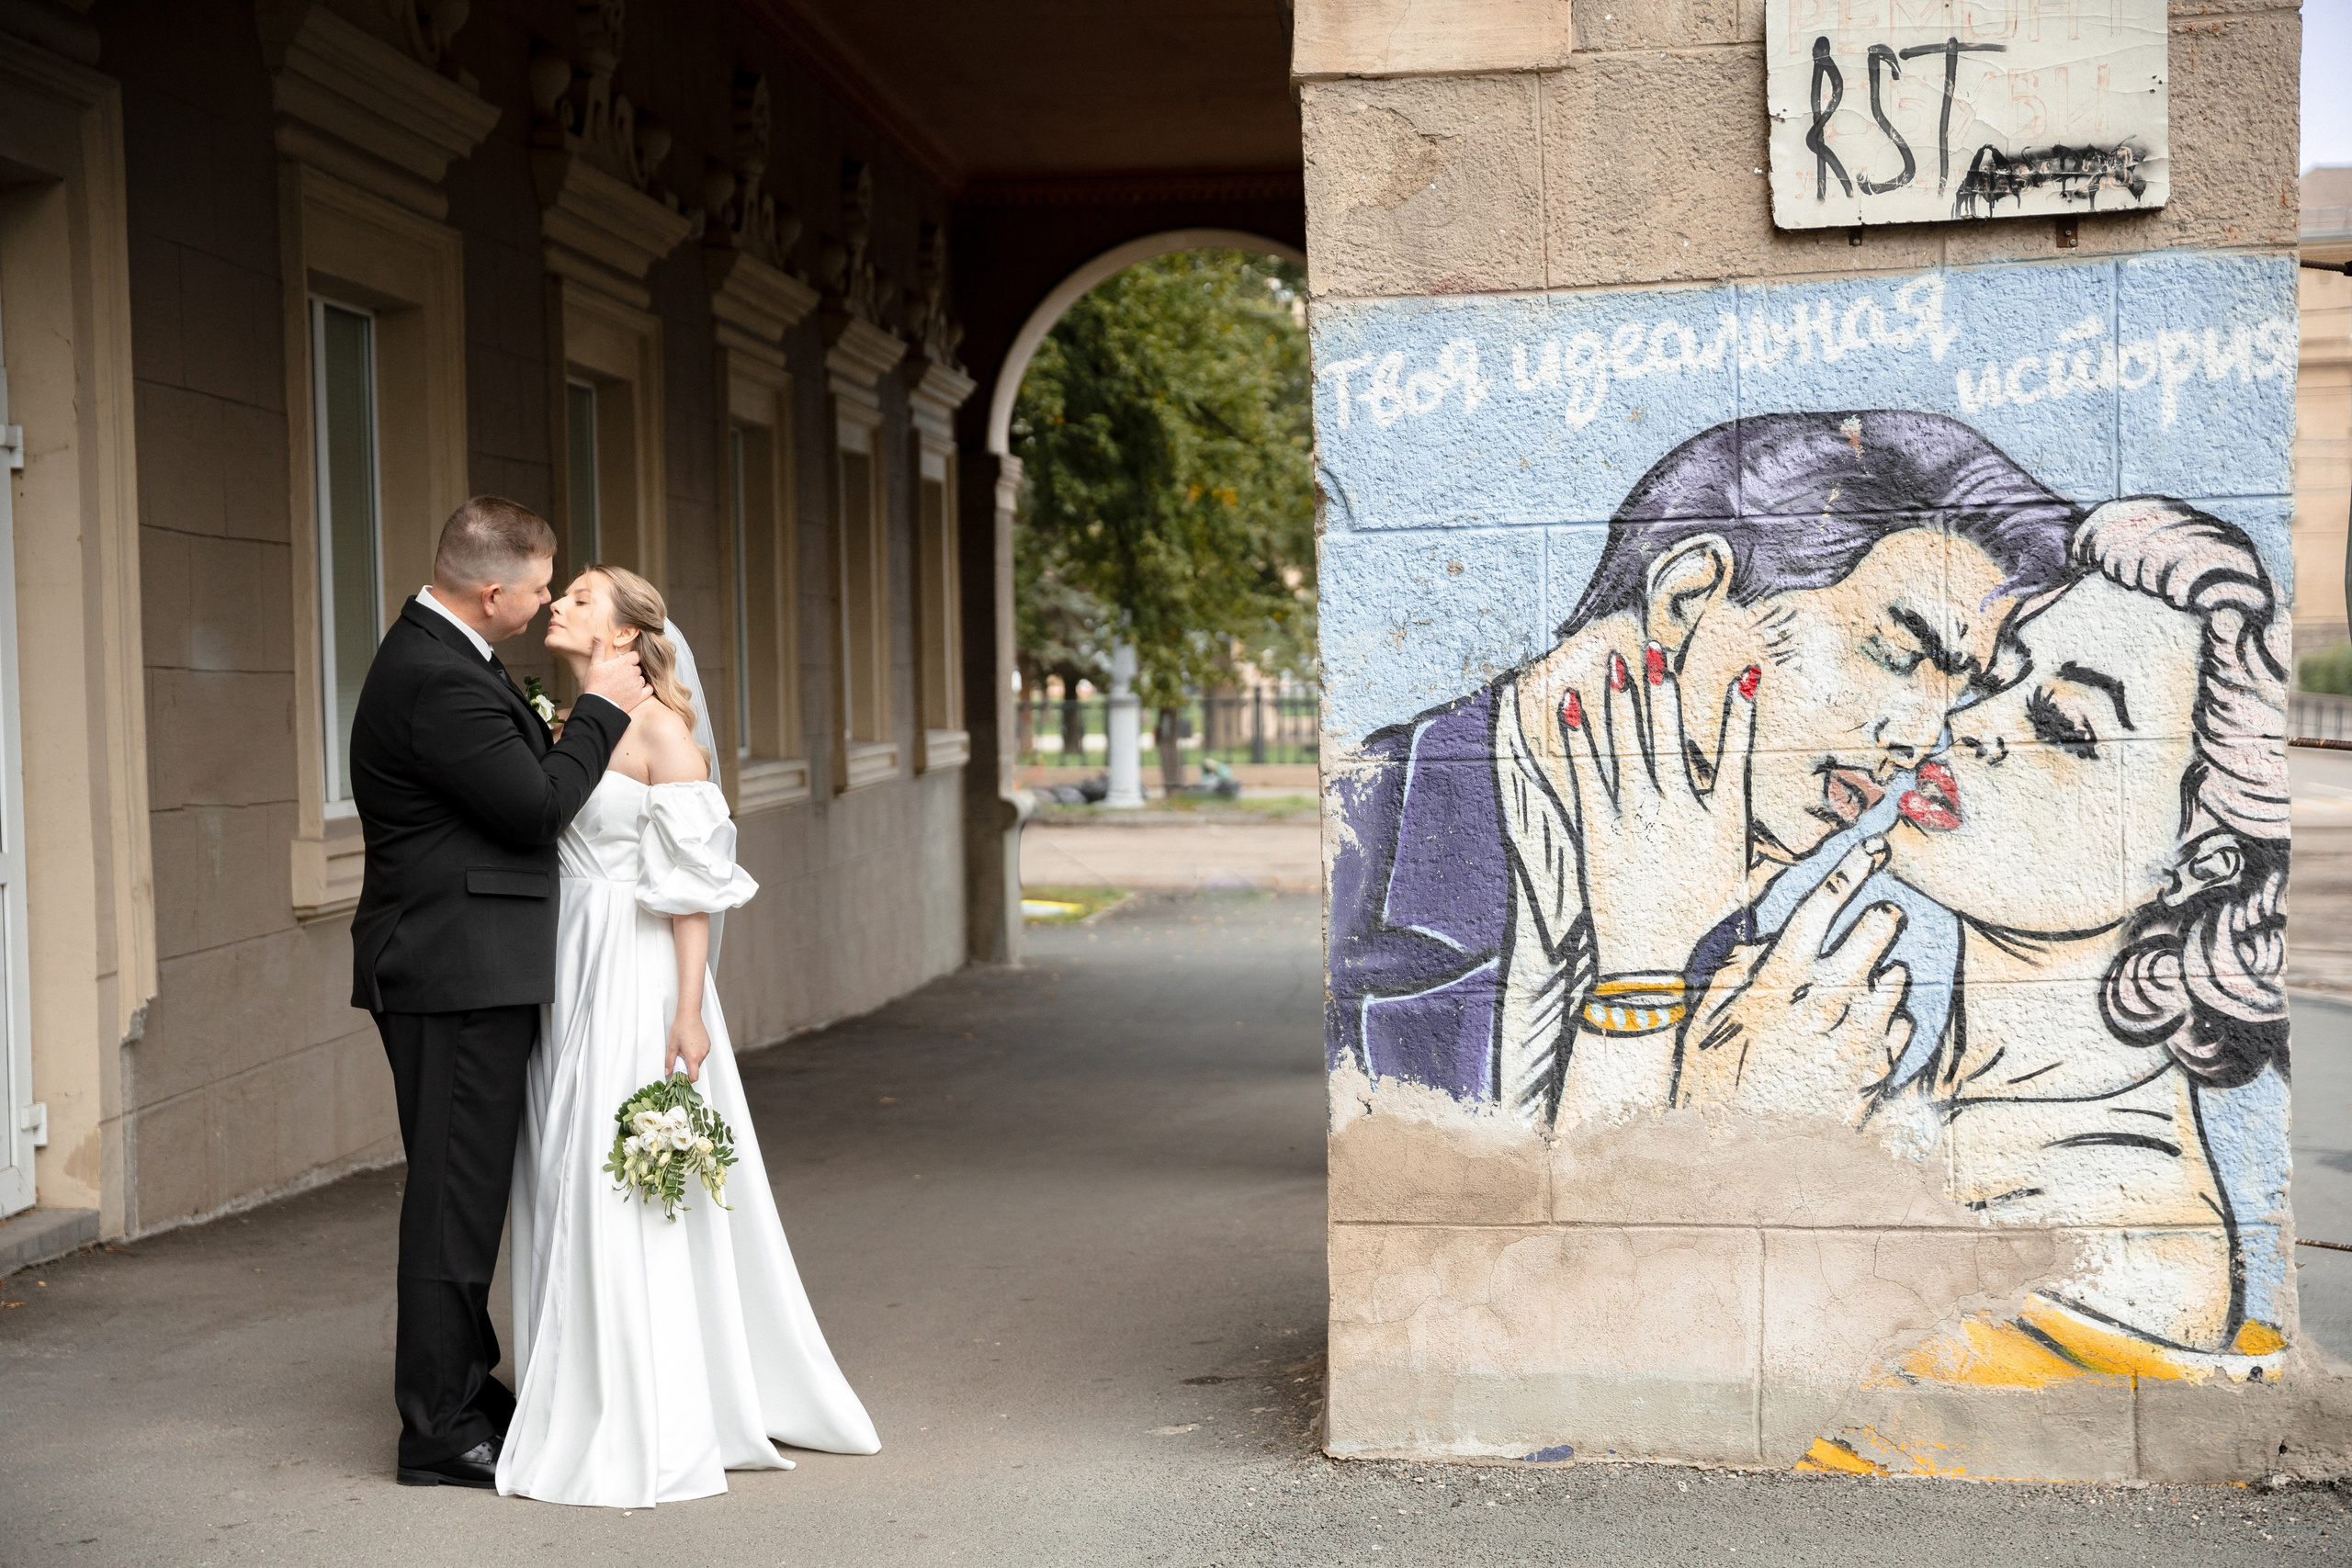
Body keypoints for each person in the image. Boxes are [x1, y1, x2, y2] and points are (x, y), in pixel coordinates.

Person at [1329, 411, 2075, 1125]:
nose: (1919, 738)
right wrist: (1648, 1009)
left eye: (1954, 699)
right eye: (1899, 653)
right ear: (1688, 597)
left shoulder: (1739, 951)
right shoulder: (1358, 839)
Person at [1685, 497, 2292, 1372]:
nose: (1967, 723)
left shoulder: (2127, 1263)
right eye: (1999, 675)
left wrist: (1732, 1154)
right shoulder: (1875, 1079)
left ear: (2203, 863)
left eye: (2062, 726)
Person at [497, 564, 879, 1508]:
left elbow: (693, 886)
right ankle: (568, 1379)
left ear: (624, 636)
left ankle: (647, 1401)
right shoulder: (556, 723)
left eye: (581, 597)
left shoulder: (664, 731)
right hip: (564, 967)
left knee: (617, 1169)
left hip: (631, 969)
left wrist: (687, 1009)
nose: (559, 605)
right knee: (557, 1161)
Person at [348, 497, 652, 1488]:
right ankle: (436, 1427)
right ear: (492, 592)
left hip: (467, 960)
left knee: (467, 1193)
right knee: (452, 1198)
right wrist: (603, 705)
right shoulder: (437, 677)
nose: (543, 601)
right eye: (537, 587)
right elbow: (533, 811)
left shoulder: (452, 660)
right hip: (451, 968)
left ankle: (469, 1387)